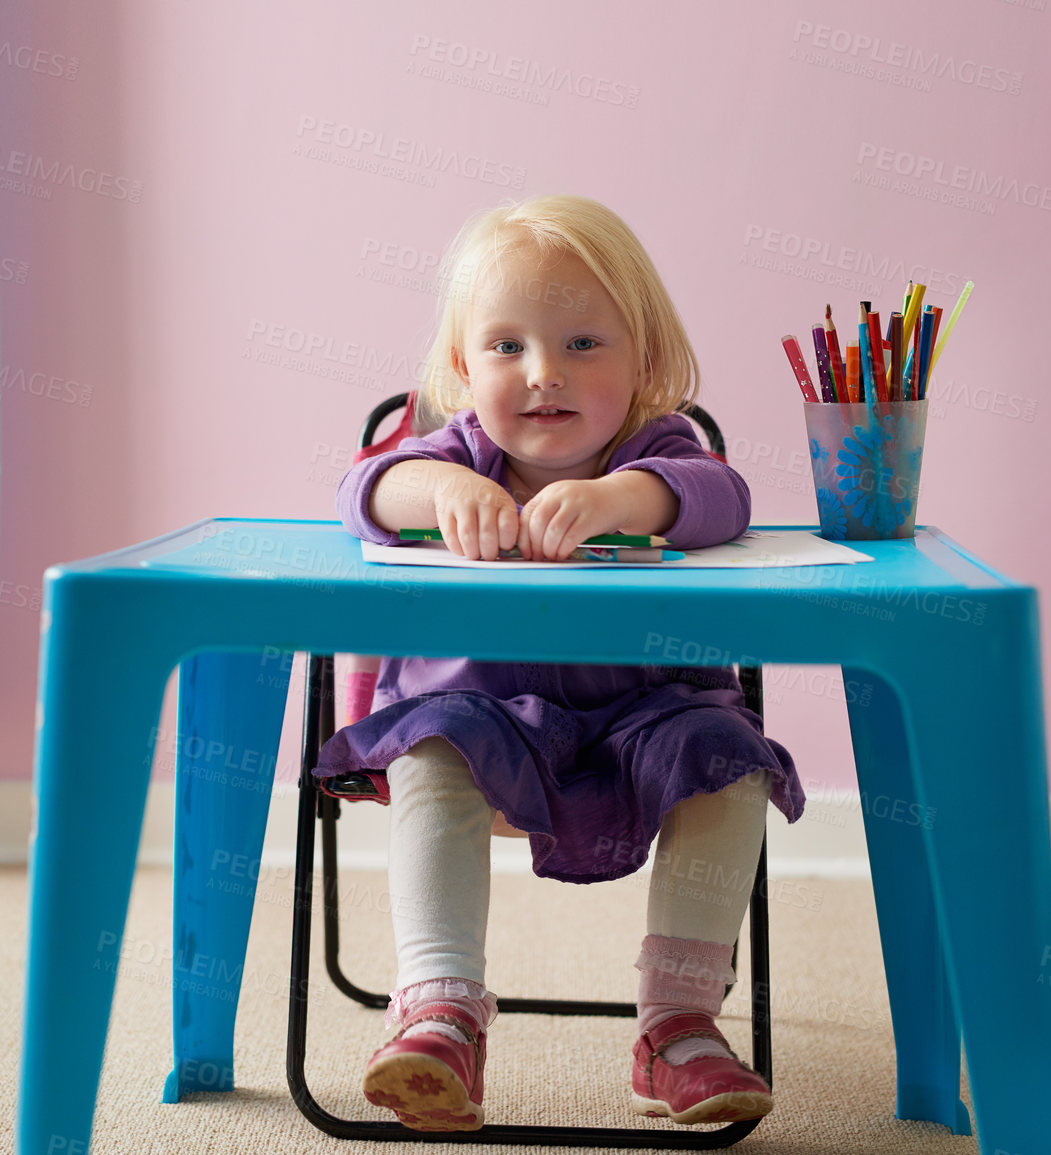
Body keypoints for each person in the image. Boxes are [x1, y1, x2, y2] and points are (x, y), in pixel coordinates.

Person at [313, 194, 804, 1131]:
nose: (543, 374)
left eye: (583, 344)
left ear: (645, 362)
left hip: (648, 731)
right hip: (484, 729)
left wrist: (624, 498)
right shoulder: (457, 451)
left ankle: (678, 1027)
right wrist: (443, 487)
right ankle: (439, 1011)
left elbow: (721, 498)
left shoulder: (657, 449)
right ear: (462, 369)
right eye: (506, 347)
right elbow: (362, 490)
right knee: (428, 743)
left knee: (730, 760)